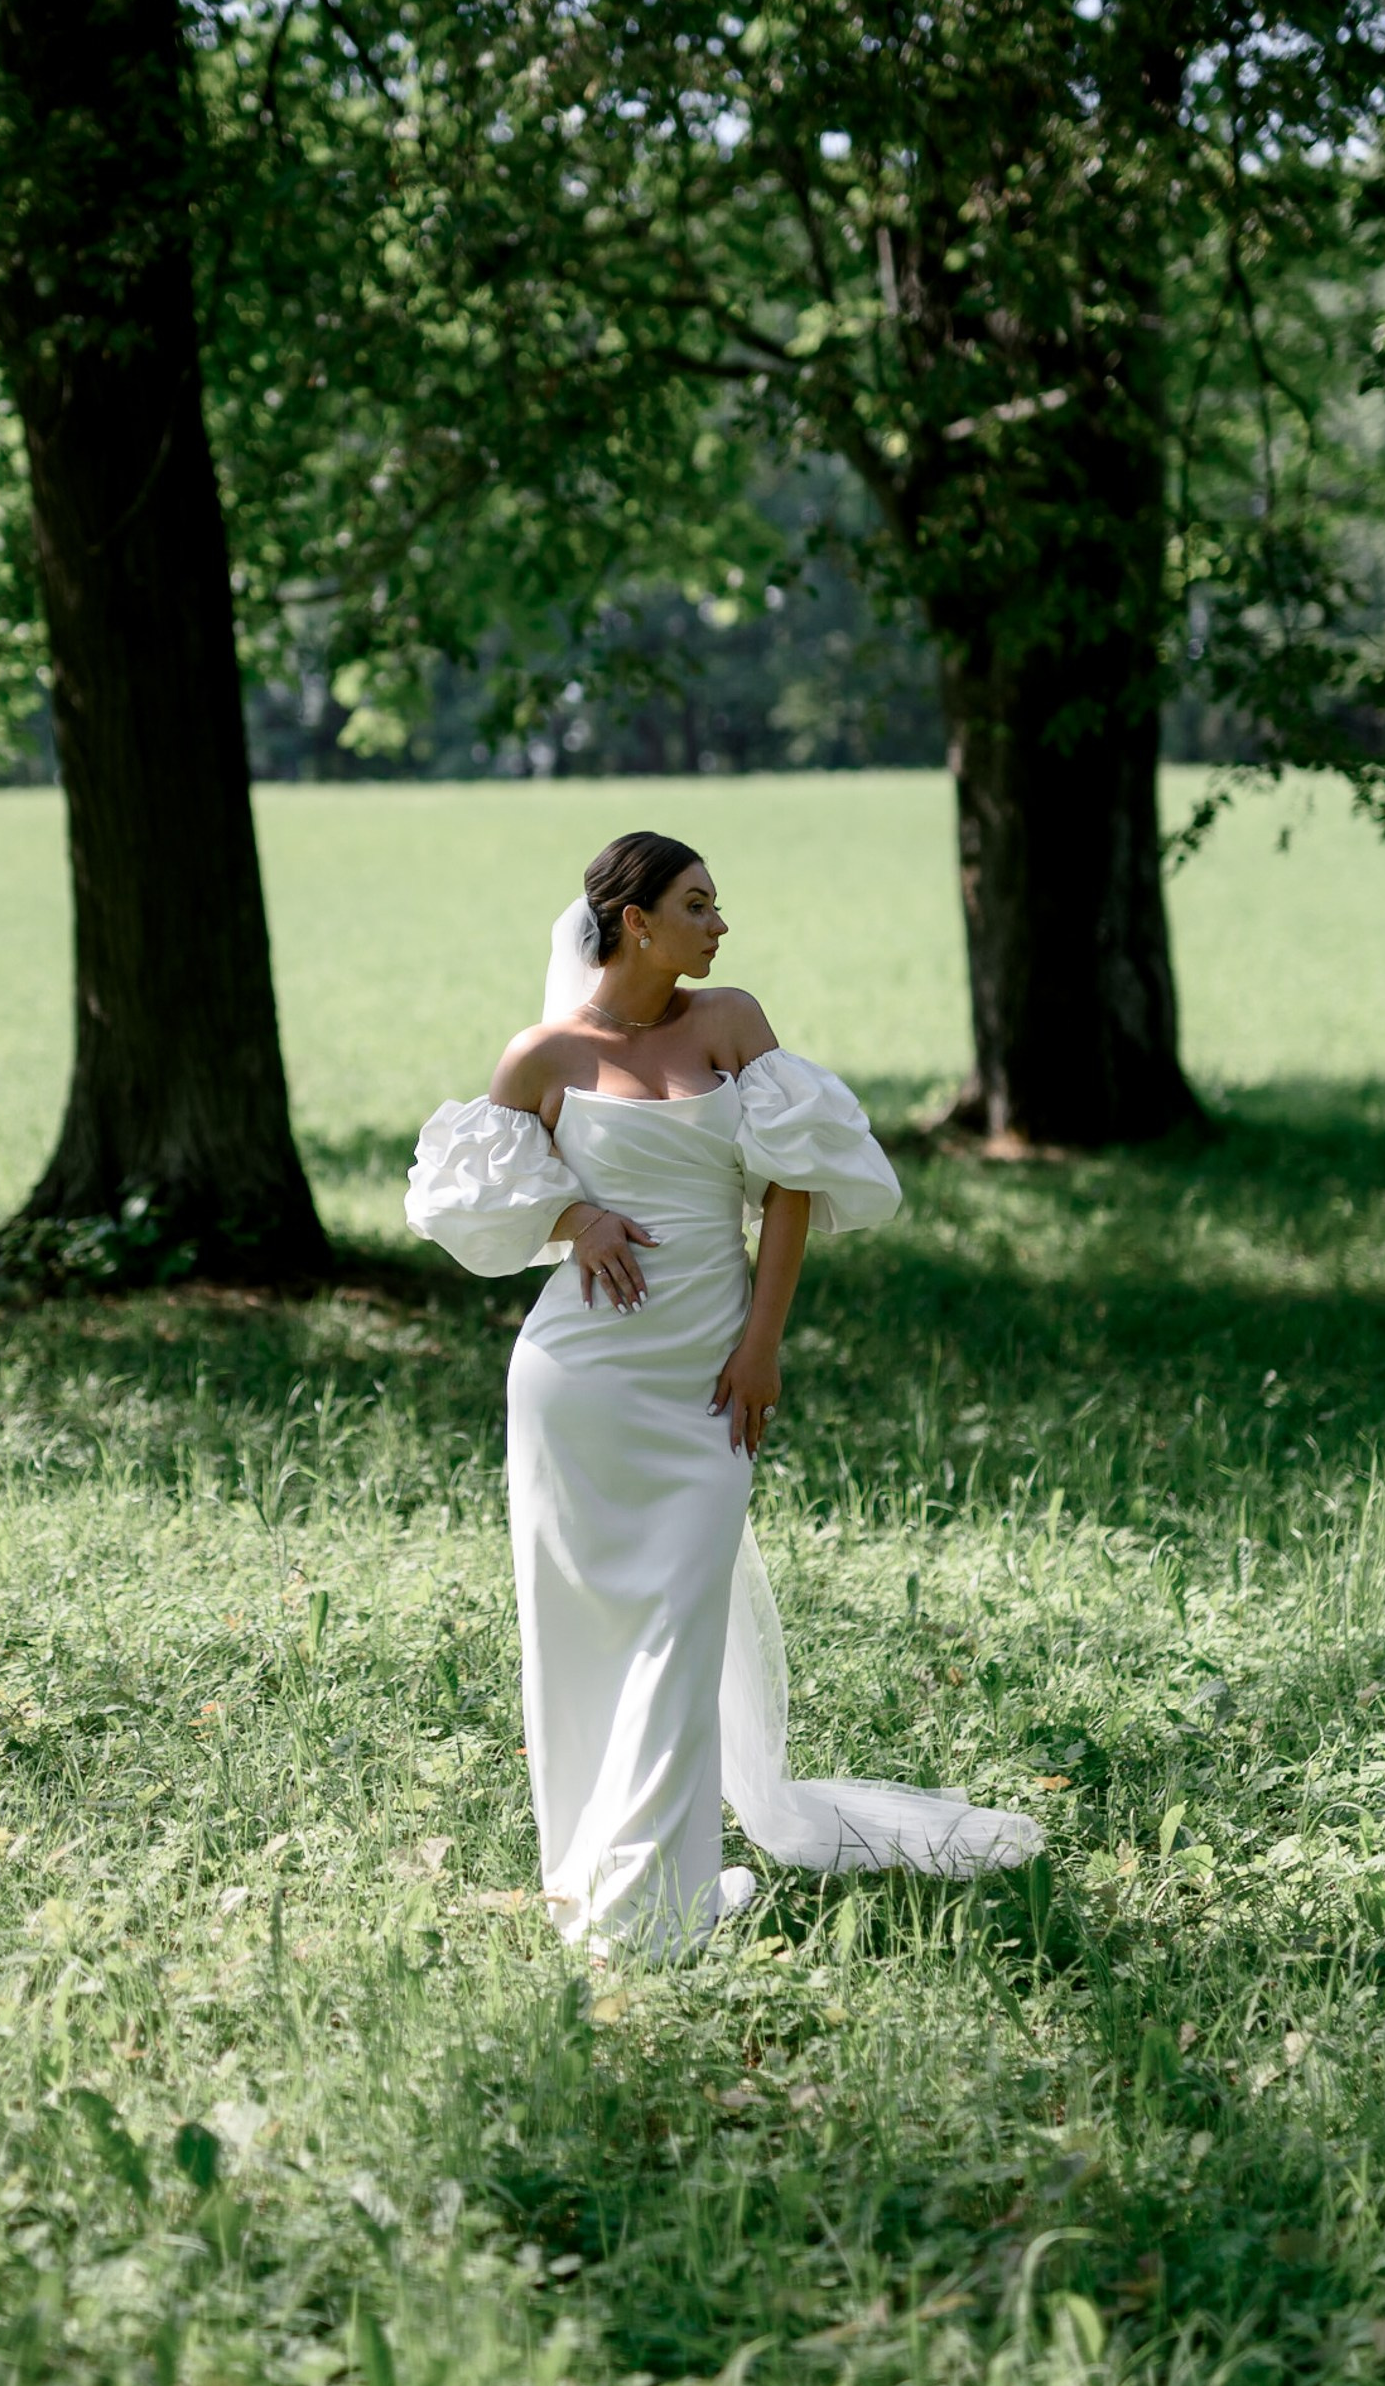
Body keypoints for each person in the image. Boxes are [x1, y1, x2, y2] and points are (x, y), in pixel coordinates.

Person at [405, 830, 1041, 1959]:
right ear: (633, 919)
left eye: (716, 903)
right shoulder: (541, 1055)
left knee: (678, 1628)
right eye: (697, 904)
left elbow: (793, 1185)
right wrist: (574, 1217)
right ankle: (615, 1894)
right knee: (582, 1638)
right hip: (578, 1386)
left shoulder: (732, 1023)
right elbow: (468, 1207)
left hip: (707, 1379)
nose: (719, 923)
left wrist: (761, 1346)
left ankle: (654, 1905)